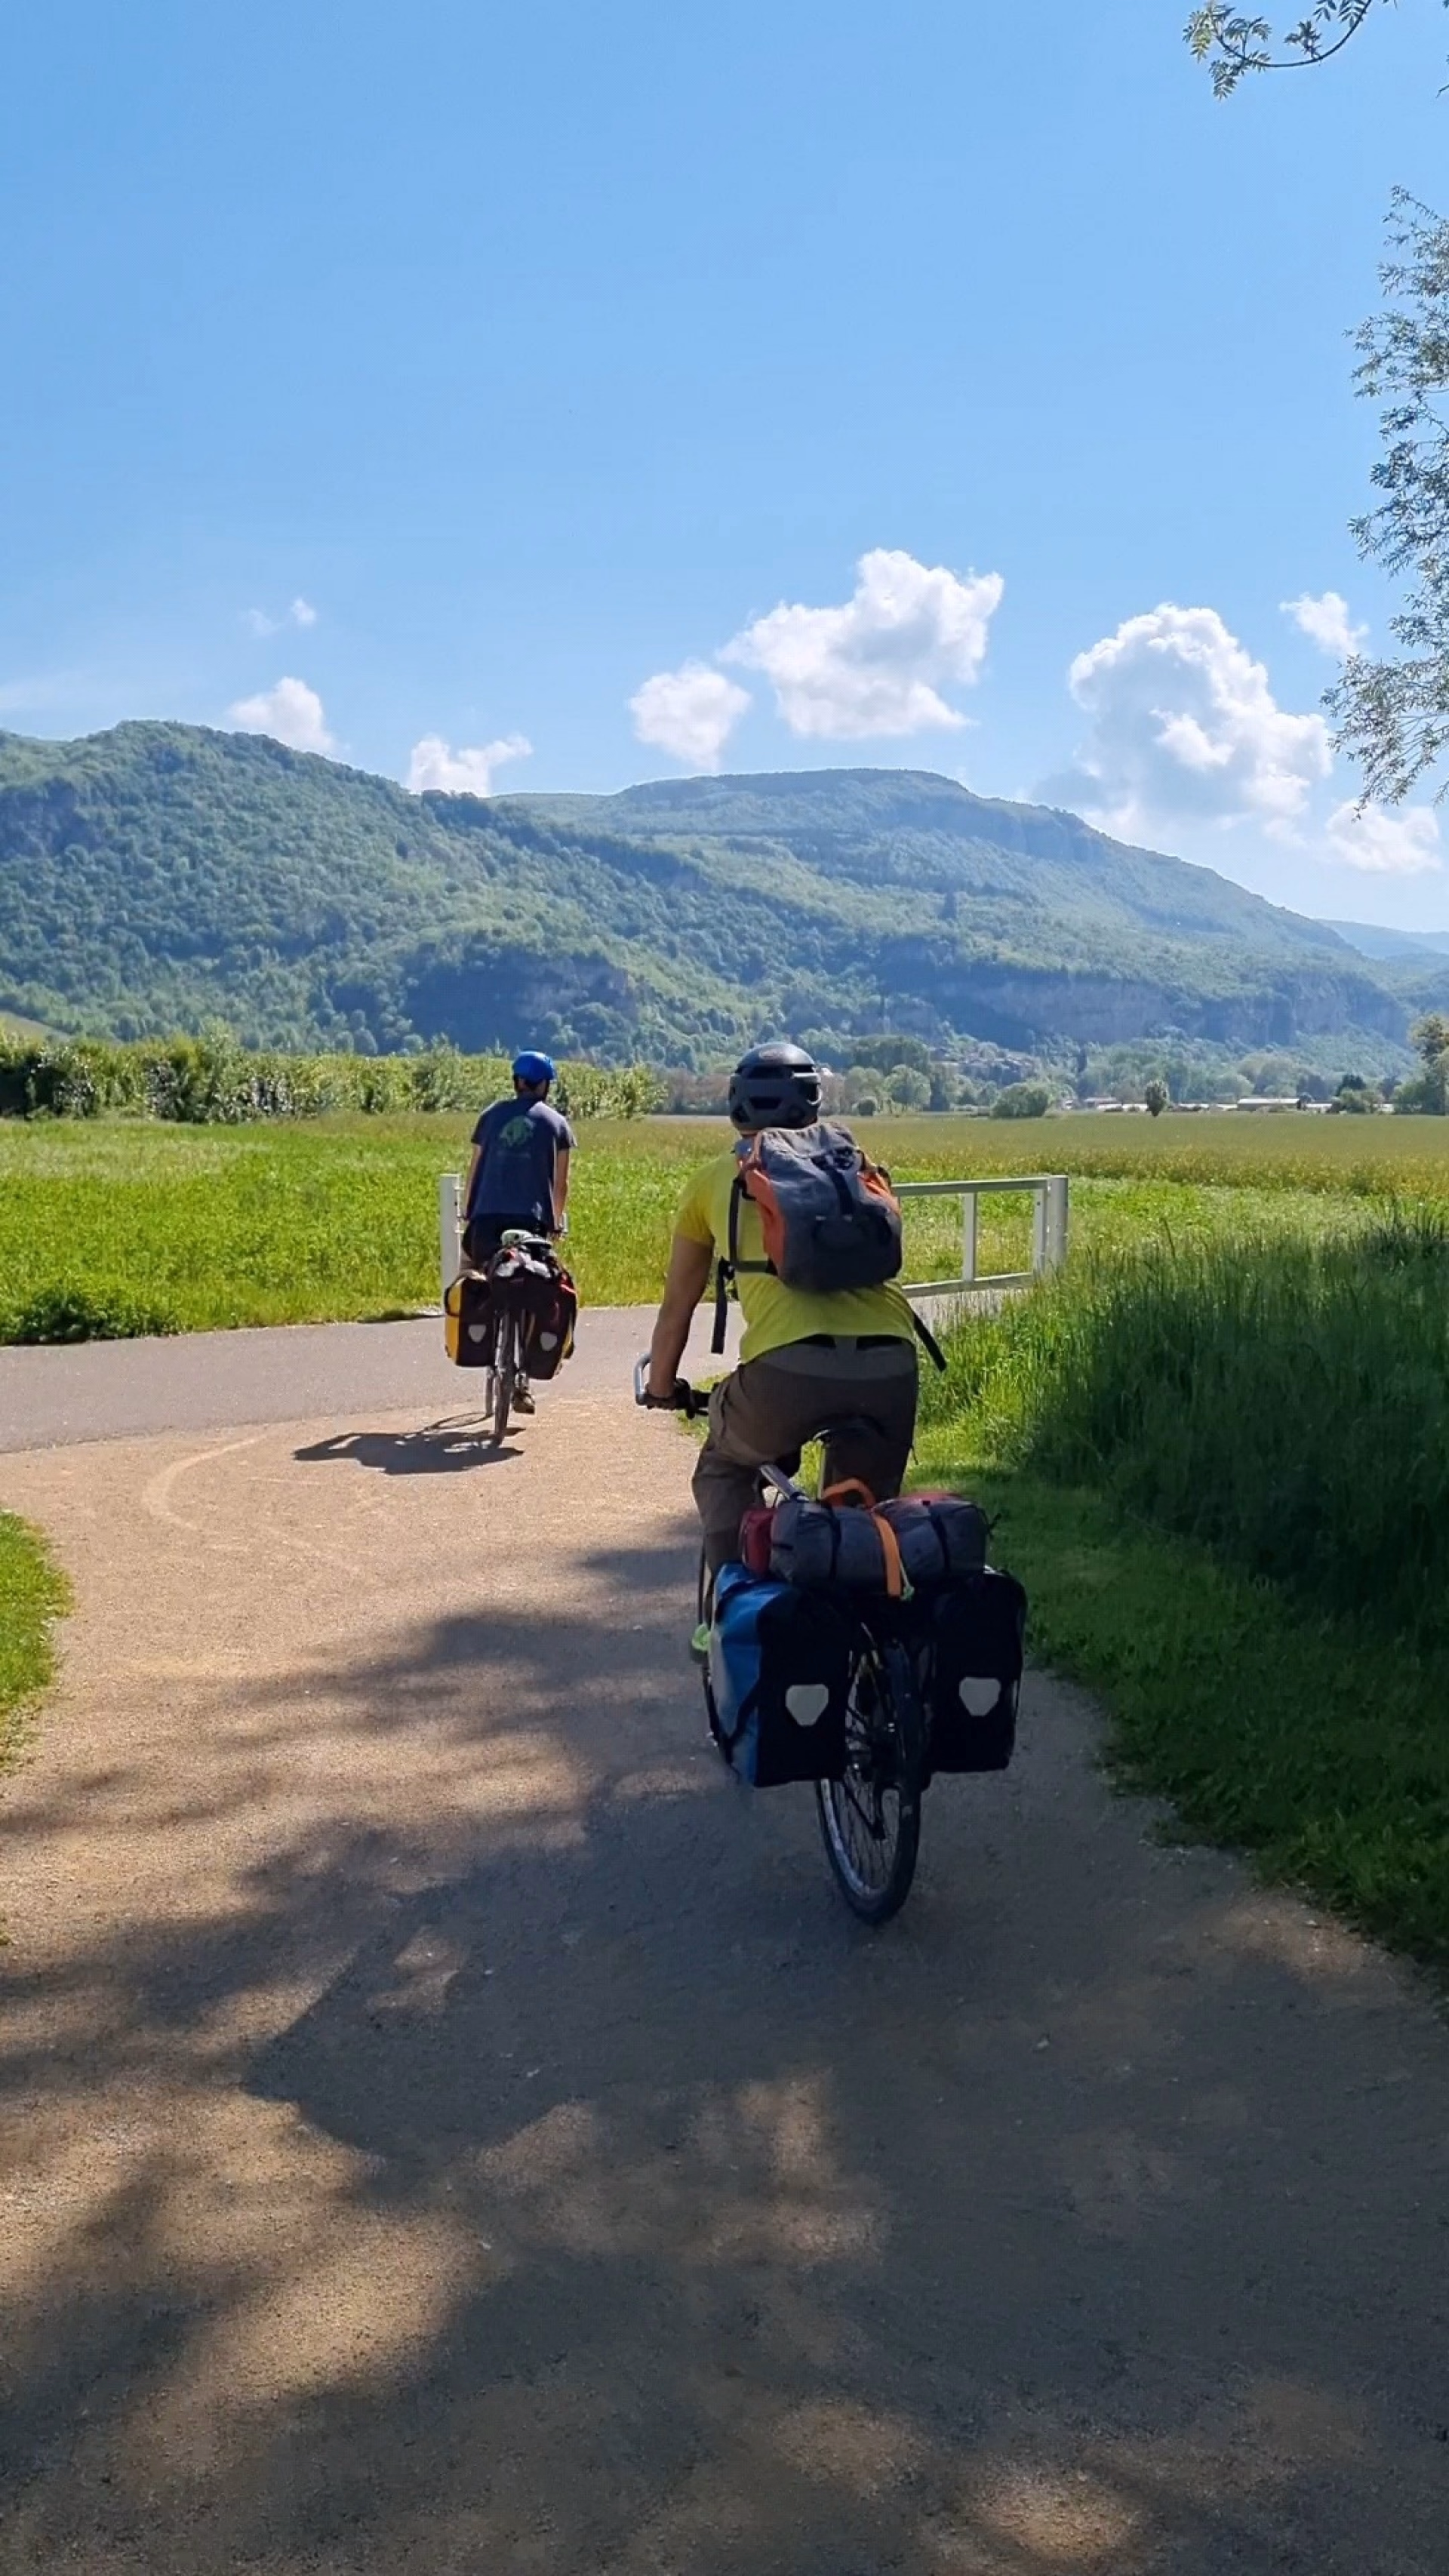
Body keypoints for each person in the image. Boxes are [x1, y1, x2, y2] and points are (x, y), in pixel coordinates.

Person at [645, 1041, 919, 1588]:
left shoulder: (710, 1182)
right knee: (860, 1517)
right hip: (892, 1364)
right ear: (812, 1104)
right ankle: (869, 1646)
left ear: (738, 1106)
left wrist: (660, 1385)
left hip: (784, 1374)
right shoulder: (851, 1167)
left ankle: (732, 1598)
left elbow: (679, 1305)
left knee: (724, 1465)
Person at [463, 1050, 575, 1414]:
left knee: (480, 1276)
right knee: (534, 1285)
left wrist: (469, 1212)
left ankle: (484, 1341)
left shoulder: (490, 1117)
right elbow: (562, 1184)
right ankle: (522, 1381)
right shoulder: (557, 1124)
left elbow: (475, 1167)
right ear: (544, 1086)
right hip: (532, 1224)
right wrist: (556, 1222)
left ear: (516, 1082)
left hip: (485, 1220)